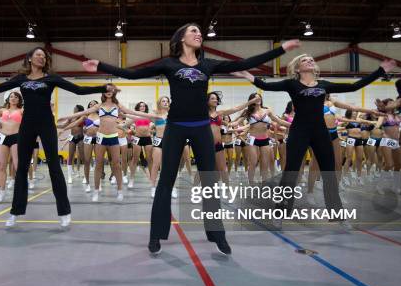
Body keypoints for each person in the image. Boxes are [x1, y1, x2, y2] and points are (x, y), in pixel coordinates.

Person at [83, 22, 299, 255]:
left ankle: (217, 234)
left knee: (210, 181)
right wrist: (100, 65)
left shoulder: (208, 64)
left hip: (201, 128)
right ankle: (156, 234)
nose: (199, 34)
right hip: (176, 127)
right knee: (166, 181)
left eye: (200, 31)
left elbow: (245, 63)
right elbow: (133, 74)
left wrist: (282, 49)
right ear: (181, 38)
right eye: (193, 31)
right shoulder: (169, 64)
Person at [0, 47, 113, 228]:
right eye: (38, 55)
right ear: (30, 59)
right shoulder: (21, 79)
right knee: (21, 169)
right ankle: (15, 212)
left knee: (54, 167)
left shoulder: (51, 78)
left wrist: (103, 88)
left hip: (46, 125)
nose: (41, 57)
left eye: (44, 55)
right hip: (27, 126)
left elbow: (78, 90)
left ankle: (64, 211)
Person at [233, 56, 396, 228]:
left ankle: (337, 215)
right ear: (297, 68)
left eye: (311, 59)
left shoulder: (323, 84)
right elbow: (265, 85)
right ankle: (280, 212)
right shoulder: (291, 84)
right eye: (305, 60)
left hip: (320, 132)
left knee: (329, 173)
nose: (310, 60)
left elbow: (354, 86)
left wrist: (381, 71)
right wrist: (247, 75)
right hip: (299, 131)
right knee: (291, 172)